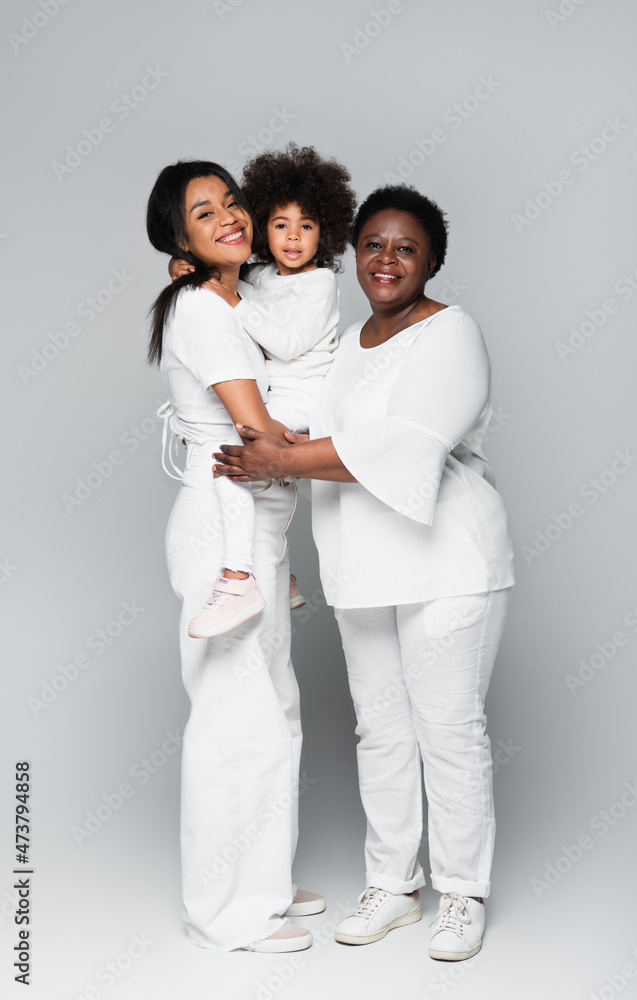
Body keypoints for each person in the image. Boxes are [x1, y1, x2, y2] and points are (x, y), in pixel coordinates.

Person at [213, 184, 515, 962]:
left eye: (405, 247)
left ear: (433, 262)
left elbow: (404, 443)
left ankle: (461, 895)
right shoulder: (349, 342)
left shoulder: (452, 333)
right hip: (362, 564)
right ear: (354, 256)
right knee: (380, 731)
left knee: (447, 731)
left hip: (447, 562)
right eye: (373, 245)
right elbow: (317, 425)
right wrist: (255, 436)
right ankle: (392, 883)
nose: (386, 259)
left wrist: (282, 458)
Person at [146, 159, 324, 954]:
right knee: (234, 722)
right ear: (177, 238)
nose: (227, 216)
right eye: (202, 210)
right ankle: (226, 914)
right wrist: (330, 441)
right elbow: (257, 431)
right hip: (222, 528)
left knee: (274, 712)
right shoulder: (201, 308)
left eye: (230, 202)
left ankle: (267, 885)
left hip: (256, 525)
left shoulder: (232, 296)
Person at [170, 144, 356, 640]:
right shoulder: (261, 275)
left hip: (302, 396)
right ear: (263, 227)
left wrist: (229, 297)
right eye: (279, 225)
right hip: (278, 390)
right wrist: (188, 270)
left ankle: (237, 577)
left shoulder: (319, 283)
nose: (293, 237)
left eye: (308, 226)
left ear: (327, 233)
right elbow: (223, 277)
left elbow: (285, 339)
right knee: (252, 473)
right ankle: (279, 574)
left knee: (237, 458)